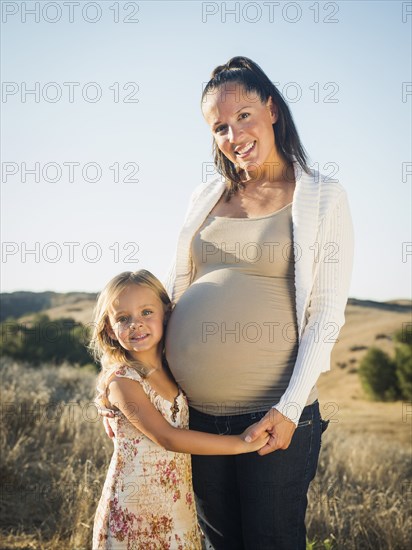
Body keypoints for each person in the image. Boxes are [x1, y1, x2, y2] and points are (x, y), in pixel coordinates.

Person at [162, 56, 354, 549]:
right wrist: (130, 378)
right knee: (219, 543)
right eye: (220, 127)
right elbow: (173, 294)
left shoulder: (322, 197)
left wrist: (290, 410)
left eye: (243, 115)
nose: (234, 134)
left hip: (273, 419)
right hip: (199, 420)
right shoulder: (205, 196)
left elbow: (326, 314)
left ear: (271, 108)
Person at [90, 269, 269, 549]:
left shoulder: (175, 369)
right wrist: (240, 444)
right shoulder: (123, 382)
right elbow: (167, 437)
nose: (136, 324)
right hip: (136, 505)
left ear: (166, 313)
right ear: (111, 329)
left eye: (146, 312)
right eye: (123, 319)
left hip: (175, 501)